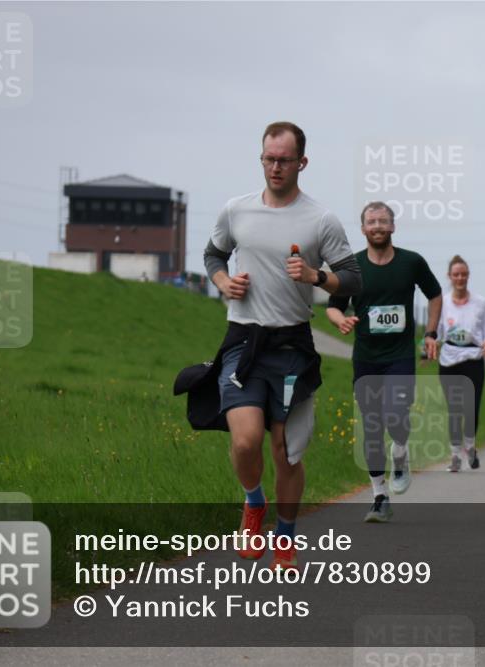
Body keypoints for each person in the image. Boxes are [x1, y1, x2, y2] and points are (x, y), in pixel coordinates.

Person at [201, 121, 361, 570]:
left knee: (285, 449)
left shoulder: (320, 219)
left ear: (301, 162)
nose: (275, 167)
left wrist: (316, 278)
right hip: (243, 340)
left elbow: (352, 278)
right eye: (268, 159)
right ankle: (254, 503)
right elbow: (213, 254)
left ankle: (285, 536)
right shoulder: (237, 210)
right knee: (247, 440)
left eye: (284, 160)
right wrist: (222, 282)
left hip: (292, 343)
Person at [326, 201, 442, 523]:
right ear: (362, 229)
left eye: (383, 221)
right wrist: (340, 321)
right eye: (371, 221)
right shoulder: (352, 268)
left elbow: (434, 294)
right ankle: (379, 495)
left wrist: (430, 333)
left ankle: (401, 453)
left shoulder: (412, 262)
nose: (377, 226)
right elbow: (333, 306)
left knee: (396, 414)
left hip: (400, 355)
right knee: (372, 427)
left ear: (393, 227)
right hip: (366, 358)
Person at [437, 255, 485, 472]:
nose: (460, 278)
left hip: (473, 358)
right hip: (450, 359)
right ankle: (454, 456)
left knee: (471, 409)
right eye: (456, 274)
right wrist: (429, 344)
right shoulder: (443, 302)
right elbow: (437, 331)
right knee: (454, 409)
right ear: (450, 277)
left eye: (464, 274)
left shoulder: (481, 303)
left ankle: (470, 446)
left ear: (468, 276)